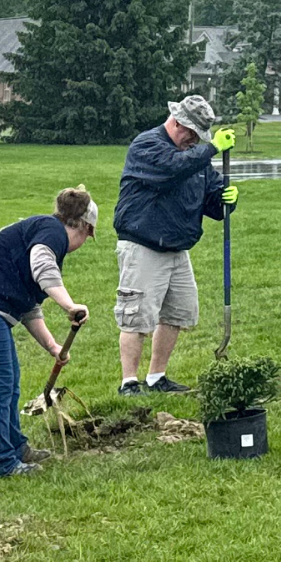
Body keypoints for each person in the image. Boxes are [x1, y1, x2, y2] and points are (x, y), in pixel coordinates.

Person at [0, 187, 97, 478]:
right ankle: (0, 464)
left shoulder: (43, 231)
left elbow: (28, 306)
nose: (84, 243)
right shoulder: (52, 232)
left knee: (8, 381)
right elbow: (42, 266)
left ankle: (14, 447)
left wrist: (52, 346)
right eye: (89, 236)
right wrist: (69, 305)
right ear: (84, 228)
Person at [112, 94, 240, 395]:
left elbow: (210, 200)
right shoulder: (148, 145)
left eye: (199, 138)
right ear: (178, 123)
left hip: (177, 247)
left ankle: (157, 378)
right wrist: (210, 149)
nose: (194, 142)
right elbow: (171, 169)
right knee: (137, 315)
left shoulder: (195, 156)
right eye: (192, 135)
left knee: (178, 313)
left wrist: (226, 200)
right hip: (143, 245)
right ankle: (129, 382)